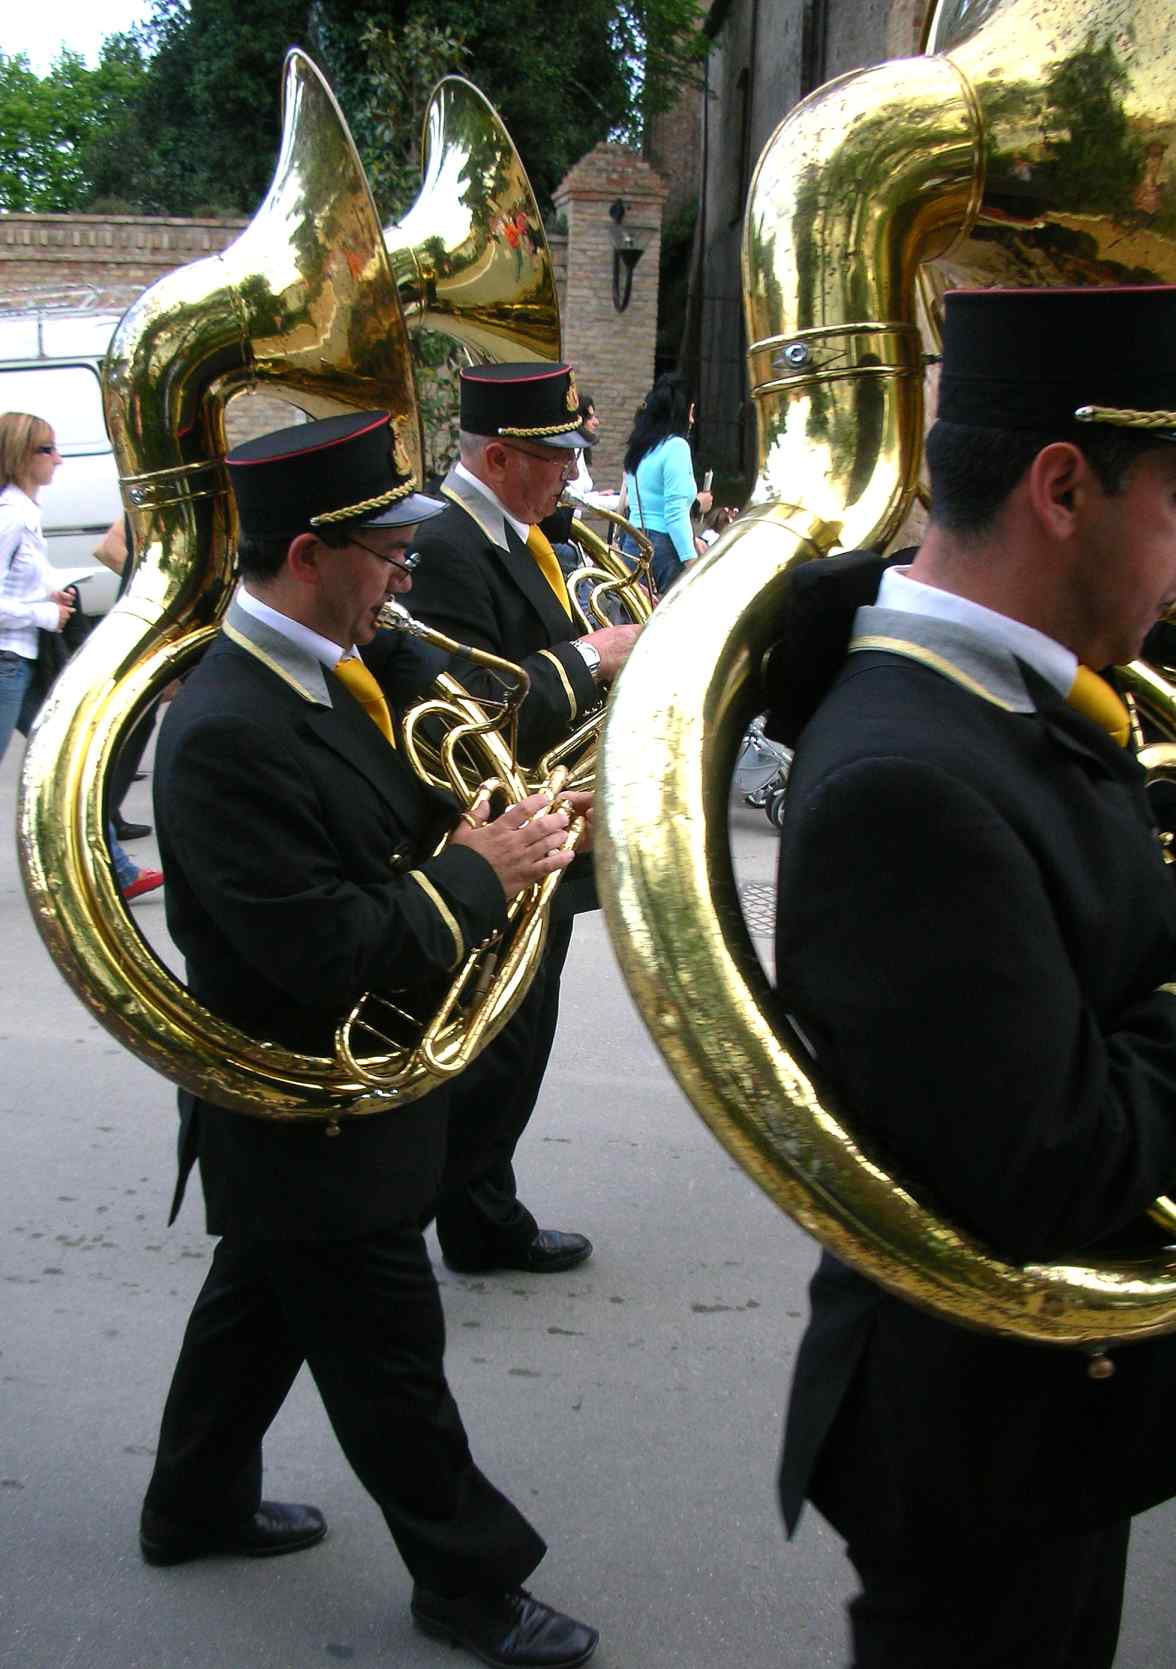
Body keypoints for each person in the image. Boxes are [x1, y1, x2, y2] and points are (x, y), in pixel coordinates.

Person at [141, 409, 599, 1669]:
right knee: (392, 1357)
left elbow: (423, 785)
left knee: (259, 1303)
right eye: (388, 551)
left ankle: (190, 1503)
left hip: (326, 1102)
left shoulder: (349, 656)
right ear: (305, 556)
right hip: (308, 1099)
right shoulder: (229, 725)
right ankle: (470, 1583)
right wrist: (479, 870)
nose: (408, 570)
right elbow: (323, 948)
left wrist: (509, 804)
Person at [766, 285, 1176, 1669]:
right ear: (1066, 487)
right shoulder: (908, 782)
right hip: (984, 1435)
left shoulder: (1008, 697)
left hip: (1052, 1408)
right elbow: (1065, 1157)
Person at [405, 362, 641, 1276]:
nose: (572, 477)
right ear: (500, 457)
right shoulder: (444, 543)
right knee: (499, 1042)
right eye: (559, 458)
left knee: (517, 1036)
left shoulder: (517, 531)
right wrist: (597, 652)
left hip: (542, 818)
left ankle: (475, 1206)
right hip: (490, 834)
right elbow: (467, 702)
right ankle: (468, 1215)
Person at [0, 412, 75, 762]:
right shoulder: (10, 516)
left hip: (22, 659)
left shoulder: (26, 511)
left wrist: (50, 594)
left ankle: (102, 820)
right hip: (7, 660)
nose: (58, 460)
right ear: (19, 455)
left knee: (62, 756)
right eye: (47, 449)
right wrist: (46, 613)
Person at [618, 372, 712, 595]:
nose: (692, 419)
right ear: (684, 411)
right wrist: (690, 561)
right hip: (664, 549)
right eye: (692, 410)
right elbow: (674, 514)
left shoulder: (640, 448)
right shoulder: (676, 447)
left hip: (632, 543)